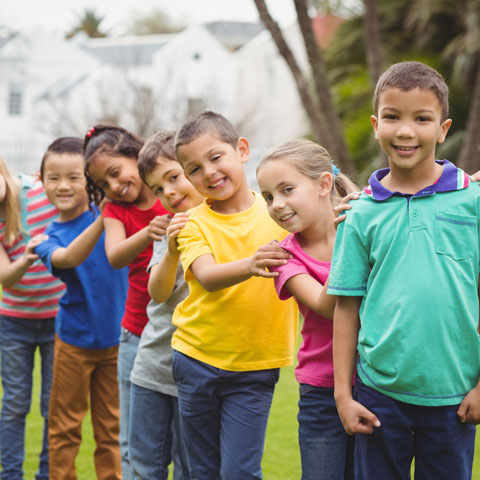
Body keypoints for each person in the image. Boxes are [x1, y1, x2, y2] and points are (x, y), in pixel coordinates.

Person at [328, 60, 480, 480]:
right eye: (393, 117)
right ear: (376, 125)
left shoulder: (473, 201)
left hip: (454, 395)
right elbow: (346, 308)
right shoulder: (360, 214)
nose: (406, 131)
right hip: (379, 396)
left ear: (444, 129)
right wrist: (343, 394)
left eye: (422, 119)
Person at [171, 111, 298, 480]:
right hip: (196, 360)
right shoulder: (192, 224)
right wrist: (251, 263)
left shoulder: (278, 213)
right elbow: (207, 277)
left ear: (241, 150)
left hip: (255, 368)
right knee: (203, 471)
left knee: (241, 472)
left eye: (215, 158)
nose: (208, 173)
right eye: (193, 169)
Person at [256, 139, 359, 480]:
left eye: (287, 190)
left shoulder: (364, 227)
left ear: (323, 184)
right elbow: (327, 305)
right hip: (321, 392)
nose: (277, 204)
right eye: (269, 196)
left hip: (376, 383)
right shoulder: (285, 257)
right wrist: (350, 242)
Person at [34, 137, 128, 480]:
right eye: (53, 177)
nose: (63, 186)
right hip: (73, 343)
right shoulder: (49, 236)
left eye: (74, 177)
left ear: (90, 179)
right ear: (40, 179)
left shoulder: (116, 218)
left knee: (112, 431)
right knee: (65, 428)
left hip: (118, 342)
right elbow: (68, 257)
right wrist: (104, 217)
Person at [83, 125, 169, 480]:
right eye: (104, 183)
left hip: (184, 332)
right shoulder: (116, 211)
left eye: (116, 172)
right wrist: (147, 232)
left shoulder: (173, 193)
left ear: (136, 154)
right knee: (134, 444)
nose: (115, 185)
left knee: (185, 448)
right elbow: (116, 255)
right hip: (136, 332)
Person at [128, 130, 198, 480]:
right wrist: (171, 248)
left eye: (173, 177)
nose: (168, 193)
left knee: (191, 470)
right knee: (145, 467)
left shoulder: (231, 223)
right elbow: (157, 291)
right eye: (158, 189)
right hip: (153, 368)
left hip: (199, 376)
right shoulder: (170, 228)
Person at [0, 157, 65, 480]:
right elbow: (6, 278)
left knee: (52, 405)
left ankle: (47, 475)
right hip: (14, 322)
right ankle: (10, 475)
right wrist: (26, 259)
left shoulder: (40, 190)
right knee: (14, 404)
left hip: (59, 318)